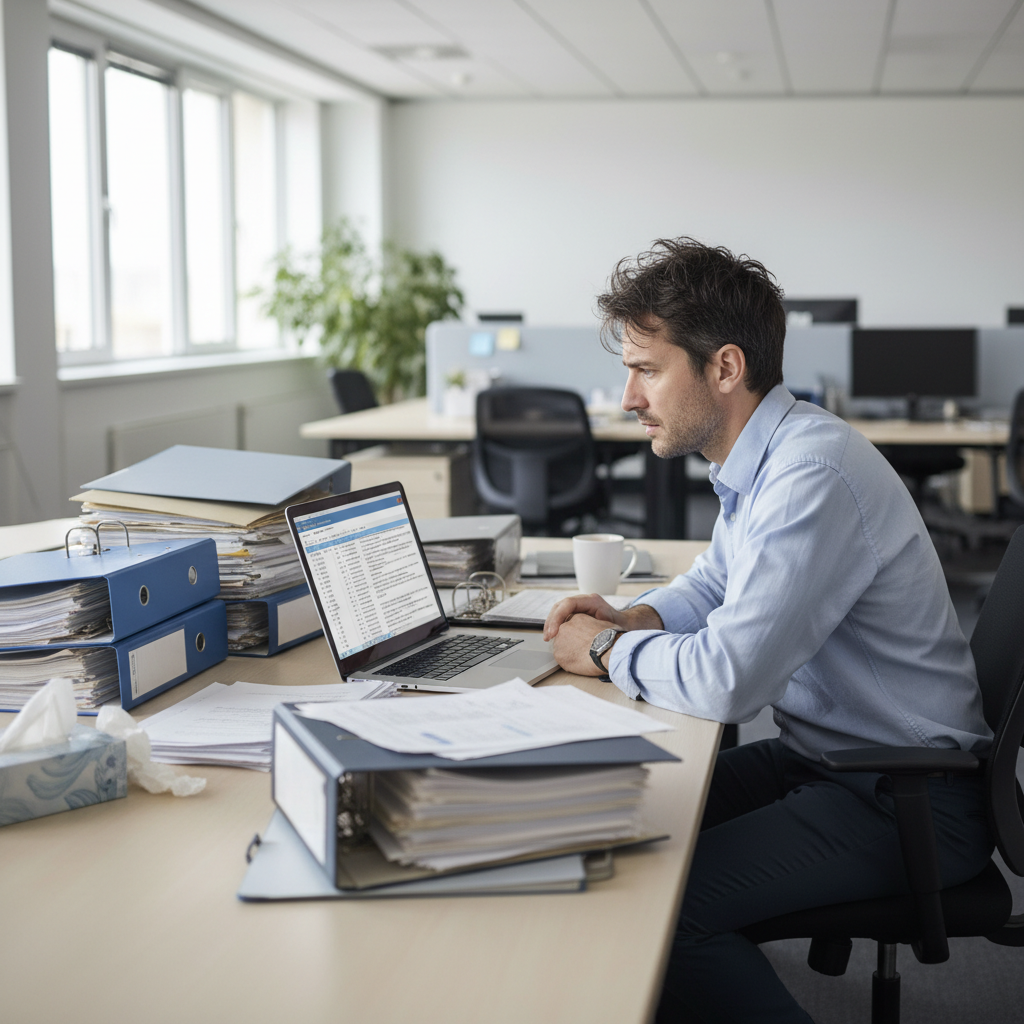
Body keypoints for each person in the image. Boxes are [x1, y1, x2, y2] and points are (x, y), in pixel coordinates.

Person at [543, 238, 993, 1023]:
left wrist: (609, 650)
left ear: (723, 368)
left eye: (647, 370)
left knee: (662, 917)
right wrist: (639, 617)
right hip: (831, 761)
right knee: (622, 809)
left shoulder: (810, 473)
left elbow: (728, 682)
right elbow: (720, 579)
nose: (627, 398)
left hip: (906, 796)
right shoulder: (769, 454)